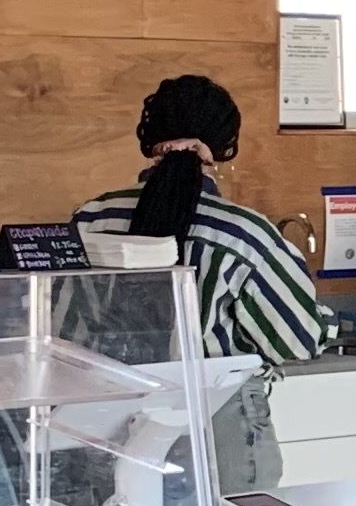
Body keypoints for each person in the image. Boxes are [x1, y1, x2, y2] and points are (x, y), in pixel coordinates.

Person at [76, 75, 337, 373]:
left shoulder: (89, 219)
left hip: (99, 407)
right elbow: (298, 343)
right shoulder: (246, 236)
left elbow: (64, 328)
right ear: (225, 148)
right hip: (214, 411)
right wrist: (328, 321)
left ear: (149, 141)